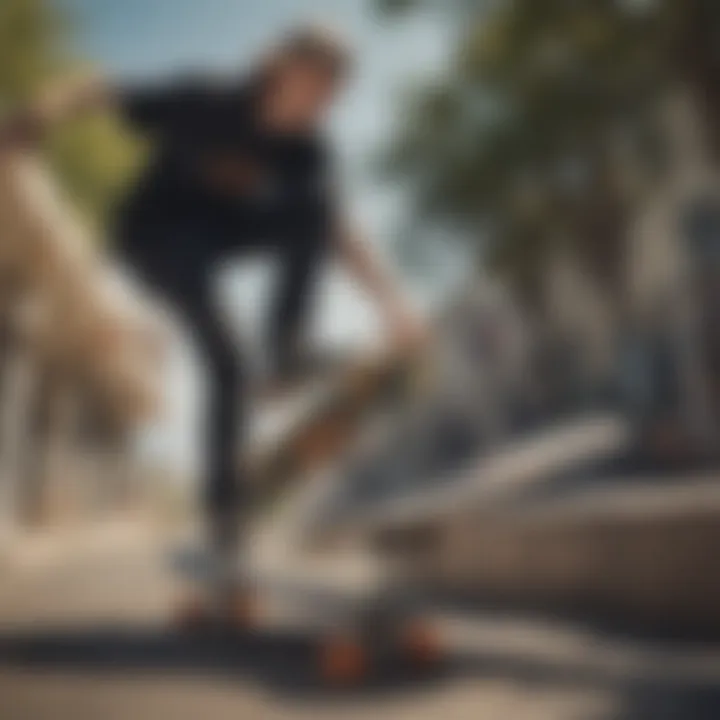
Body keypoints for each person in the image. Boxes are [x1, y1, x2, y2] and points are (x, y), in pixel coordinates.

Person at [1, 23, 424, 607]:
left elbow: (341, 236)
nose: (319, 108)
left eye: (331, 98)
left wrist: (392, 302)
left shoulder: (308, 153)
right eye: (313, 90)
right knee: (224, 347)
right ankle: (231, 489)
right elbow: (103, 89)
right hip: (150, 238)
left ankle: (282, 364)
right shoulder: (208, 101)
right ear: (280, 72)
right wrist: (36, 114)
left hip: (217, 239)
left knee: (312, 219)